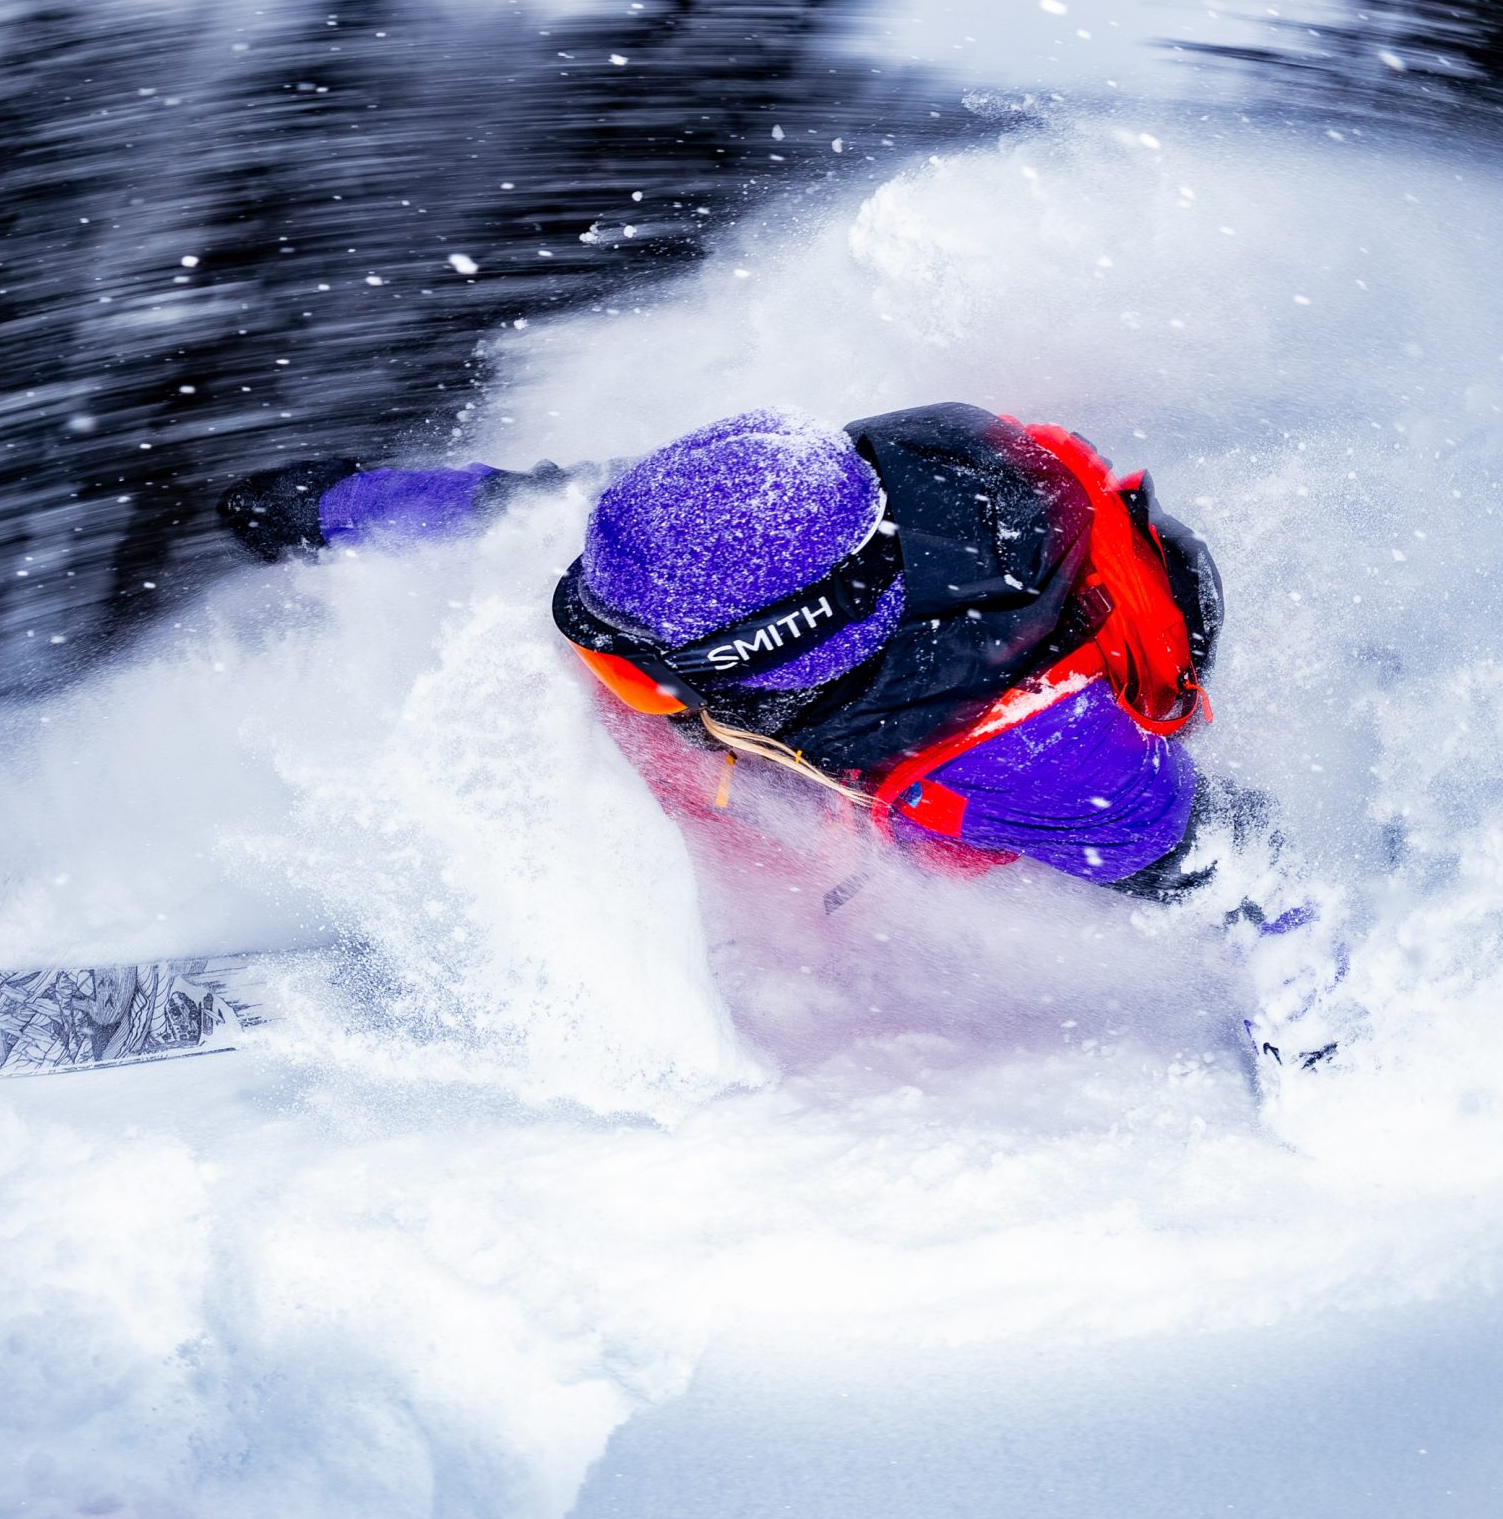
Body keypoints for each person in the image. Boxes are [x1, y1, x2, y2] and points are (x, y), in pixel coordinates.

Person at [221, 403, 1352, 1077]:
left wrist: (1310, 1021)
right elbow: (538, 507)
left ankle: (773, 911)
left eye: (647, 643)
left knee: (883, 843)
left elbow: (1226, 866)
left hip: (982, 741)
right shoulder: (737, 526)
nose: (605, 633)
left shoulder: (1021, 752)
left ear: (778, 655)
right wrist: (342, 508)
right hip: (895, 642)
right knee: (664, 737)